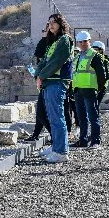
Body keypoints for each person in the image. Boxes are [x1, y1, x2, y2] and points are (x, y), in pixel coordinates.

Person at [35, 13, 74, 163]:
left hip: (57, 81)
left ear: (61, 23)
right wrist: (38, 75)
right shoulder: (54, 42)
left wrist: (41, 76)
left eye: (54, 22)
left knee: (57, 117)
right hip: (49, 81)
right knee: (52, 117)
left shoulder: (65, 40)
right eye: (49, 22)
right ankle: (56, 146)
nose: (51, 25)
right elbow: (44, 60)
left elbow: (57, 62)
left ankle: (61, 152)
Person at [72, 32, 109, 149]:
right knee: (81, 117)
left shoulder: (95, 56)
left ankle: (95, 141)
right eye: (80, 42)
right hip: (78, 90)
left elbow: (102, 76)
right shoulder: (77, 57)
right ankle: (82, 140)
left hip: (90, 90)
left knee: (93, 117)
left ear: (89, 41)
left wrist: (97, 89)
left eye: (84, 41)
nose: (82, 44)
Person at [26, 25, 51, 141]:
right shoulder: (46, 42)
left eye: (44, 30)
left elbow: (40, 54)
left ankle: (55, 135)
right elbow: (38, 54)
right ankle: (36, 134)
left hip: (51, 82)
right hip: (44, 82)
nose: (43, 33)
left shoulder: (51, 43)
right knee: (40, 112)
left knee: (44, 113)